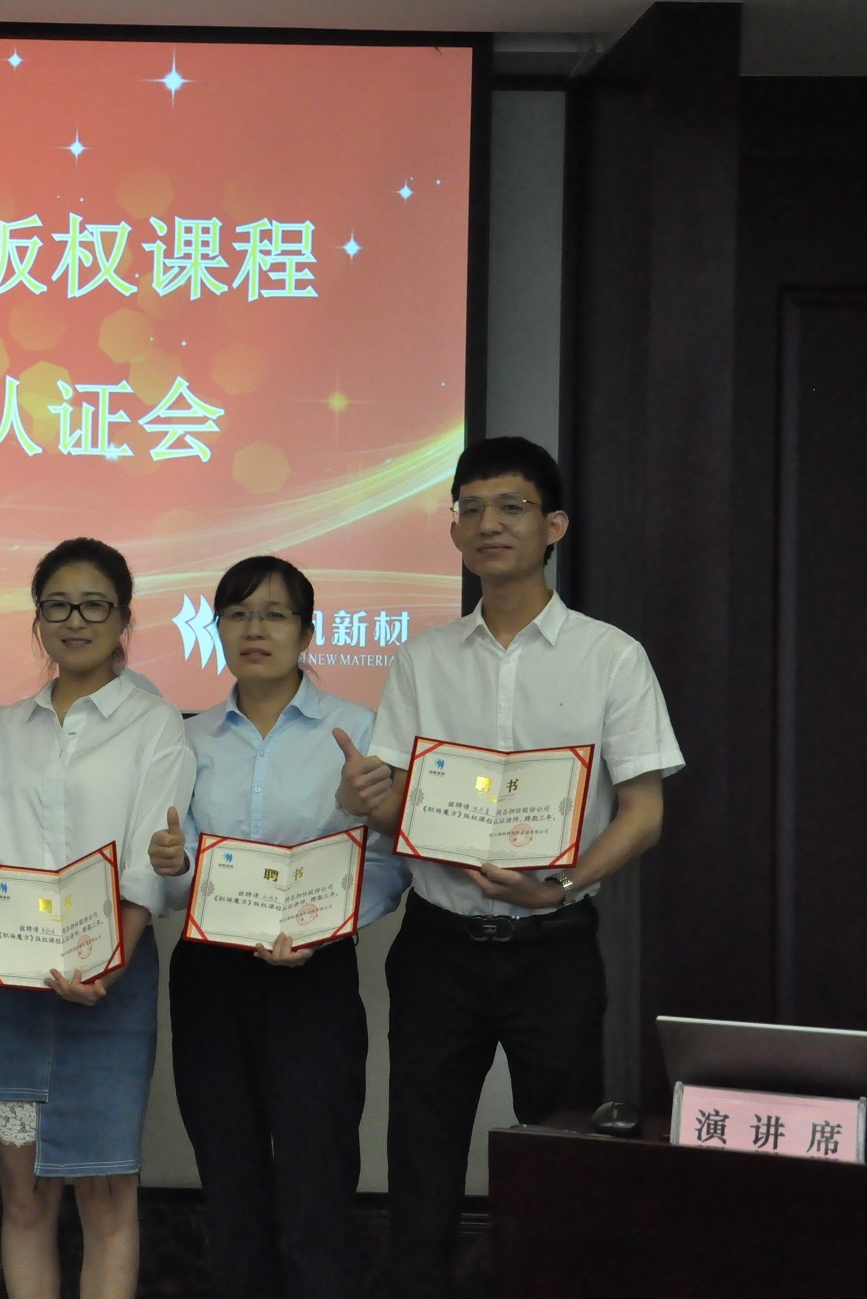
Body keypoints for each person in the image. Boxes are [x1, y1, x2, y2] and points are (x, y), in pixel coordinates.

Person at [334, 437, 684, 1299]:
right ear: (454, 528)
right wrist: (365, 798)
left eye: (511, 507)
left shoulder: (610, 656)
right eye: (471, 508)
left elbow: (644, 814)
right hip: (439, 947)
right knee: (421, 1164)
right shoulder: (422, 658)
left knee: (563, 1169)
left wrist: (557, 885)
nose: (488, 523)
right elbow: (401, 809)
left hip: (553, 948)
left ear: (553, 525)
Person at [148, 555, 409, 1299]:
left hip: (314, 977)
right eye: (237, 614)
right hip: (211, 977)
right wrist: (171, 864)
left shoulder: (359, 731)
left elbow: (390, 861)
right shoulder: (186, 739)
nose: (254, 629)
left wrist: (330, 926)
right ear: (217, 629)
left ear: (308, 630)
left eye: (274, 614)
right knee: (229, 1182)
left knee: (316, 1185)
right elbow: (174, 879)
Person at [0, 538, 194, 1299]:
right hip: (10, 982)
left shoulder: (155, 723)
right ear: (38, 619)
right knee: (24, 1200)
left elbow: (146, 867)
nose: (75, 621)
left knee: (105, 1197)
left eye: (94, 606)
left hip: (112, 976)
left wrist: (109, 966)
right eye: (58, 605)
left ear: (123, 618)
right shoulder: (6, 727)